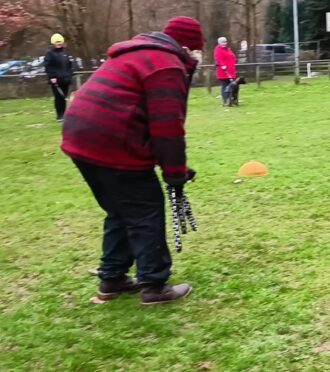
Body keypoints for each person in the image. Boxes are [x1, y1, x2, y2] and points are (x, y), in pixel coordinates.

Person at [60, 16, 203, 305]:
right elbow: (167, 128)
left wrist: (176, 169)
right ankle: (154, 286)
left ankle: (112, 279)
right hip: (112, 141)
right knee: (145, 210)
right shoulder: (166, 65)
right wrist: (175, 174)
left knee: (120, 210)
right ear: (189, 49)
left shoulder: (139, 53)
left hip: (79, 136)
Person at [44, 33, 74, 122]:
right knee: (58, 98)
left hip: (65, 79)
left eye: (60, 43)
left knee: (64, 97)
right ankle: (59, 115)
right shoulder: (50, 53)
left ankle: (64, 114)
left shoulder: (65, 53)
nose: (58, 45)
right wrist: (52, 76)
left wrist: (70, 74)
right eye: (57, 43)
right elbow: (47, 66)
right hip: (56, 80)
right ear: (53, 43)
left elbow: (69, 65)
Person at [213, 36, 237, 105]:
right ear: (219, 43)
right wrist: (223, 66)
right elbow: (218, 59)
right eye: (223, 42)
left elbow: (232, 57)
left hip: (231, 70)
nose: (225, 43)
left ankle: (231, 99)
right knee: (225, 86)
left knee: (232, 86)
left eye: (225, 41)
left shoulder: (228, 49)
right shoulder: (218, 50)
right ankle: (225, 100)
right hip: (223, 71)